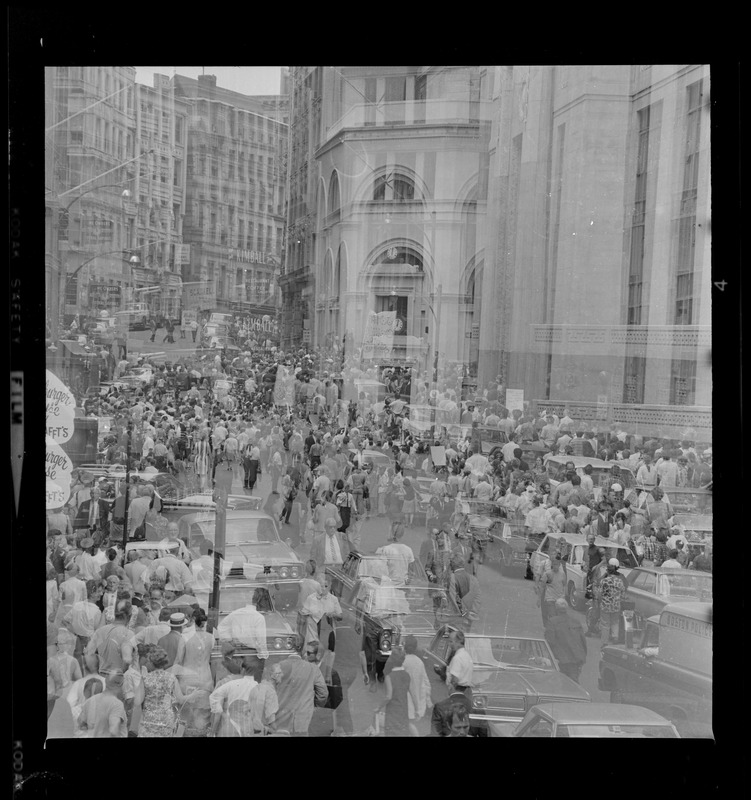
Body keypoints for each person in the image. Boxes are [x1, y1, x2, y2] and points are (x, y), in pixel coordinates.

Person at [275, 634, 329, 736]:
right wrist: (313, 707)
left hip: (281, 719)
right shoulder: (313, 669)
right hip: (302, 720)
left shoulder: (279, 666)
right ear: (302, 648)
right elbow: (323, 694)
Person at [139, 646, 195, 737]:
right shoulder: (171, 678)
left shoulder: (145, 678)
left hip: (148, 721)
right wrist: (193, 695)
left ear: (151, 662)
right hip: (166, 720)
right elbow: (180, 699)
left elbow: (138, 700)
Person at [208, 654, 262, 737]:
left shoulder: (224, 683)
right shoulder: (254, 685)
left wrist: (212, 732)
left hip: (228, 729)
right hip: (246, 729)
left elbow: (217, 714)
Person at [215, 587, 270, 659]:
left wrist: (230, 641)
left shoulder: (235, 614)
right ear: (261, 601)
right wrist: (264, 656)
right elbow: (261, 642)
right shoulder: (259, 618)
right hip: (252, 654)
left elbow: (221, 628)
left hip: (237, 653)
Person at [85, 599, 134, 675]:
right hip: (119, 677)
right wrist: (124, 672)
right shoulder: (129, 634)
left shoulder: (100, 631)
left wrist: (94, 672)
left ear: (114, 613)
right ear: (129, 616)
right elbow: (127, 660)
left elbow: (88, 653)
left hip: (102, 676)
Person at [544, 597, 587, 682]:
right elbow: (583, 641)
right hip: (576, 659)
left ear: (556, 608)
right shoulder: (576, 622)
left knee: (561, 684)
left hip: (561, 660)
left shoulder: (552, 622)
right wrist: (582, 657)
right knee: (573, 683)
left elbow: (550, 641)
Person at [76, 669, 129, 738]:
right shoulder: (116, 704)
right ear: (120, 684)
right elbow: (113, 731)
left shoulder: (91, 700)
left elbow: (80, 723)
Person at [402, 635, 432, 736]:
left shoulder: (403, 661)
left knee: (407, 725)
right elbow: (426, 683)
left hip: (405, 700)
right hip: (417, 700)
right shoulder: (420, 662)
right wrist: (428, 701)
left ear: (404, 646)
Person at [378, 647, 411, 737]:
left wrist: (379, 707)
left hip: (393, 712)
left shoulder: (389, 677)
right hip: (404, 711)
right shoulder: (407, 675)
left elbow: (388, 696)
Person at [376, 522, 415, 586]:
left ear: (391, 533)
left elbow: (381, 570)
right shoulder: (408, 550)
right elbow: (411, 571)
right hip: (403, 586)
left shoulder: (386, 549)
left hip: (389, 586)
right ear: (403, 534)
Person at [599, 558, 628, 646]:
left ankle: (604, 642)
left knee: (605, 624)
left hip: (605, 606)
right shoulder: (619, 581)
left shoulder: (603, 581)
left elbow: (599, 594)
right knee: (615, 622)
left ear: (608, 571)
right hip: (616, 606)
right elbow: (623, 595)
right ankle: (615, 638)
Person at [536, 555, 566, 625]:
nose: (556, 566)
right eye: (554, 564)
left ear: (559, 565)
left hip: (559, 599)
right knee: (553, 615)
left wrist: (564, 597)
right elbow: (542, 587)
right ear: (552, 565)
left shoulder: (562, 574)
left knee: (559, 616)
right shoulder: (547, 574)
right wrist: (539, 599)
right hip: (550, 599)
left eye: (557, 564)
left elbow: (564, 586)